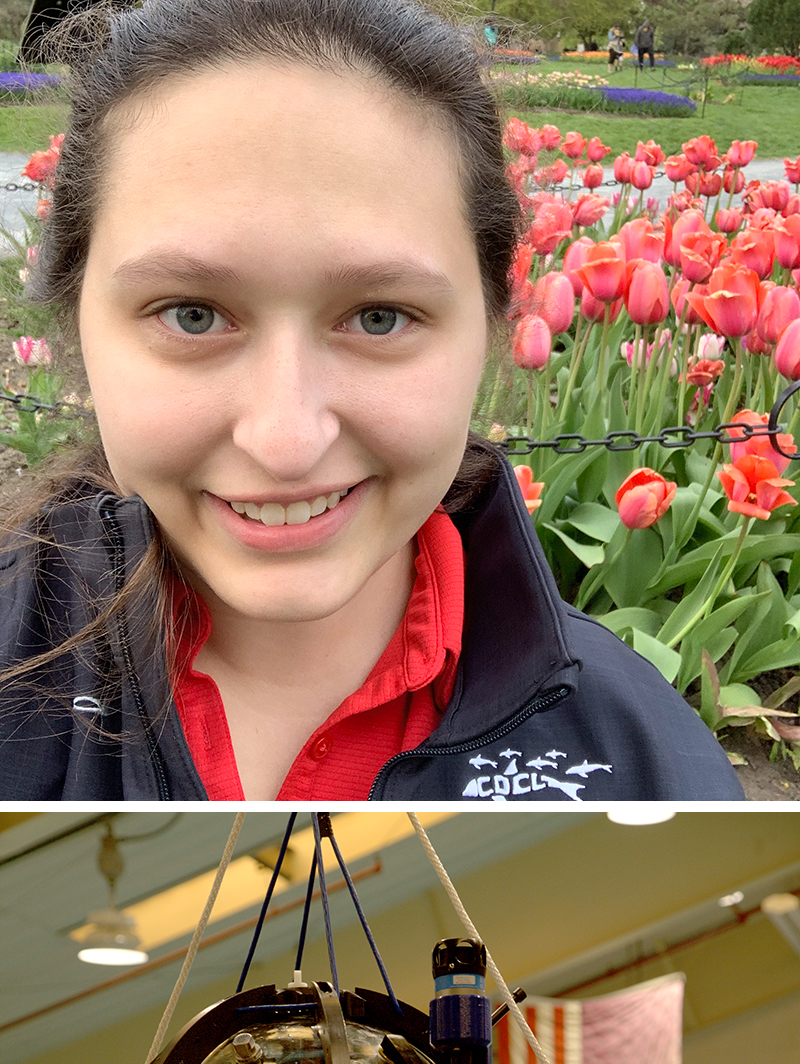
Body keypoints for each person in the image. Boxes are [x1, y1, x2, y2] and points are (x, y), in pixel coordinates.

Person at [0, 0, 743, 803]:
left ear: (492, 325)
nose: (285, 440)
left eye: (379, 318)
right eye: (193, 315)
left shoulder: (644, 767)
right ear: (77, 323)